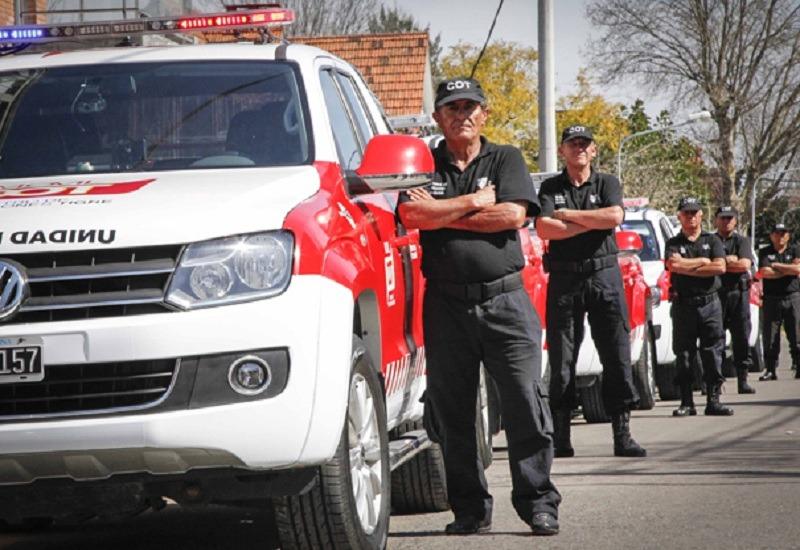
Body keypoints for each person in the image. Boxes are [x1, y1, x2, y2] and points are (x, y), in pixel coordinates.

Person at [397, 77, 561, 536]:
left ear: (484, 114)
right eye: (452, 108)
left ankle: (539, 503)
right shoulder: (422, 165)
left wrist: (444, 213)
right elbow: (412, 215)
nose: (462, 114)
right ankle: (469, 509)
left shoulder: (505, 157)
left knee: (526, 402)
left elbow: (512, 215)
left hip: (506, 300)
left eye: (471, 107)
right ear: (437, 118)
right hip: (445, 304)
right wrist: (472, 202)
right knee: (454, 413)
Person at [536, 125, 646, 458]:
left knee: (616, 355)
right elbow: (543, 227)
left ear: (593, 151)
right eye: (573, 144)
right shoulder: (551, 187)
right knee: (563, 360)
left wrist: (569, 217)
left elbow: (613, 216)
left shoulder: (607, 183)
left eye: (585, 144)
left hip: (604, 277)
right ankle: (561, 436)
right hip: (565, 281)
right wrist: (590, 222)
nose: (579, 149)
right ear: (563, 150)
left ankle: (622, 434)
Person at [665, 197, 733, 416]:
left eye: (694, 212)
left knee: (712, 353)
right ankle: (687, 402)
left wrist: (689, 266)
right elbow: (673, 265)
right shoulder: (673, 243)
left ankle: (713, 400)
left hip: (709, 304)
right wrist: (703, 262)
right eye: (686, 213)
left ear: (702, 215)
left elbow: (720, 267)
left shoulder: (712, 241)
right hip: (683, 304)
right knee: (684, 355)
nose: (691, 217)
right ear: (679, 216)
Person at [713, 206, 756, 394]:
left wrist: (722, 262)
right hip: (717, 294)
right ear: (716, 220)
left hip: (738, 294)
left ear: (736, 220)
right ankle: (717, 380)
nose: (726, 221)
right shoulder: (710, 240)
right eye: (722, 218)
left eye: (730, 218)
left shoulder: (742, 241)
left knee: (741, 337)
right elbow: (711, 265)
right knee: (716, 338)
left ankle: (743, 379)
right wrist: (728, 261)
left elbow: (744, 265)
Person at [757, 223, 800, 380]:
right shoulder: (765, 252)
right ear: (771, 235)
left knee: (796, 334)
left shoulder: (795, 249)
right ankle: (770, 369)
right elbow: (765, 272)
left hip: (792, 296)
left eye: (783, 233)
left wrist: (776, 265)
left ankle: (798, 363)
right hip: (771, 299)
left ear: (788, 235)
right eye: (777, 233)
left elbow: (798, 270)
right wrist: (787, 269)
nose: (780, 236)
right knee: (770, 335)